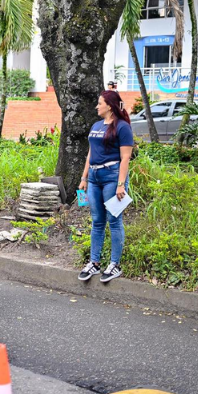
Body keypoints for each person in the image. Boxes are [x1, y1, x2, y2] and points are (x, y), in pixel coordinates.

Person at [77, 90, 134, 283]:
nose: (96, 106)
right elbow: (90, 153)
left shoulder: (122, 127)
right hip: (93, 177)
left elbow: (126, 157)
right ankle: (94, 262)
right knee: (97, 220)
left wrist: (120, 184)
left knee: (114, 220)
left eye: (99, 103)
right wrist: (84, 178)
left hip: (112, 176)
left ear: (109, 105)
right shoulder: (96, 125)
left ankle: (115, 264)